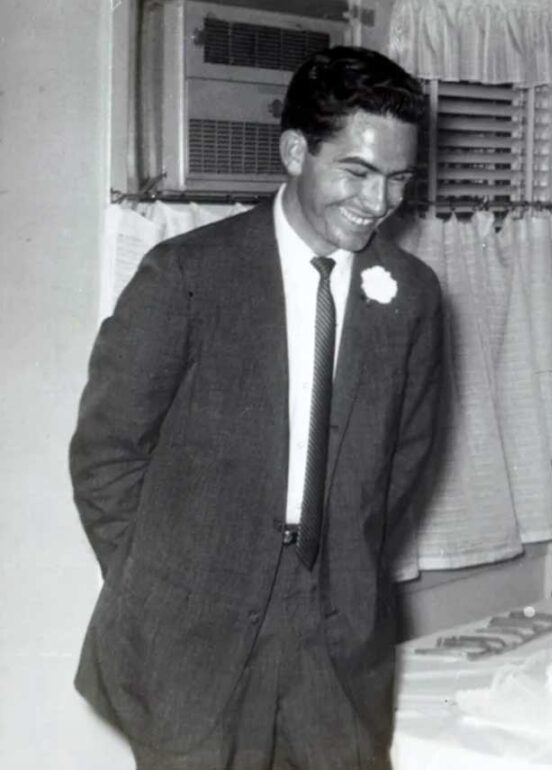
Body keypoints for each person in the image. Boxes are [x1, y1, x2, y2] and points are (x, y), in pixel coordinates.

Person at [70, 47, 443, 770]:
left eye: (399, 179)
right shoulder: (187, 275)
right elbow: (106, 455)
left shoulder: (414, 295)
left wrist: (346, 569)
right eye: (358, 172)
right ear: (296, 152)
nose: (379, 202)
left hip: (336, 644)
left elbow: (407, 464)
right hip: (191, 646)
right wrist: (168, 584)